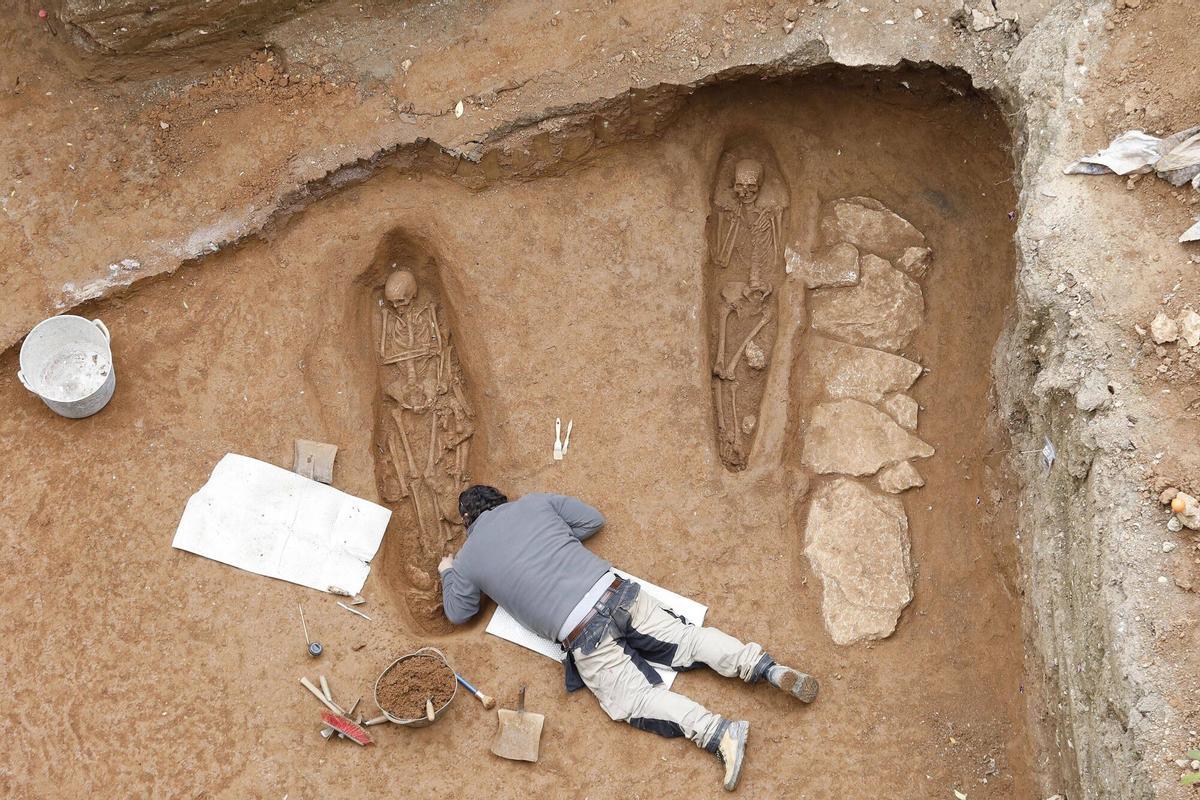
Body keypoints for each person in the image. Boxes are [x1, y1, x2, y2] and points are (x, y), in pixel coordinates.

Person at [438, 485, 819, 792]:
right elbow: (592, 520)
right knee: (687, 639)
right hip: (619, 592)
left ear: (469, 522)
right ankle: (766, 668)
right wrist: (556, 538)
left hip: (582, 633)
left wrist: (448, 572)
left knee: (633, 699)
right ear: (501, 499)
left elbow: (458, 612)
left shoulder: (469, 557)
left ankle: (719, 733)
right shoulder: (535, 503)